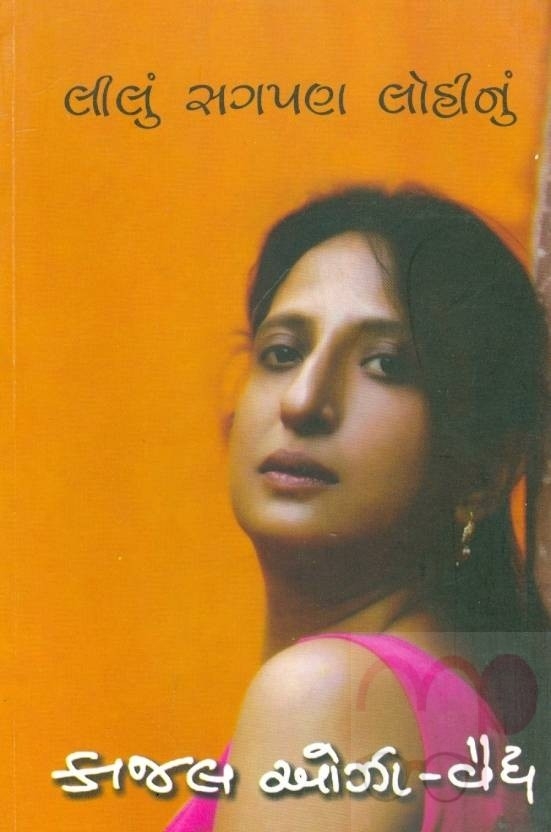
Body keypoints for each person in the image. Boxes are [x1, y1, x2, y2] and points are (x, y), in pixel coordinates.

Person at [166, 186, 549, 832]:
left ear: (483, 470)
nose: (302, 400)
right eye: (282, 352)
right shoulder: (445, 710)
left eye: (385, 364)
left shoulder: (331, 695)